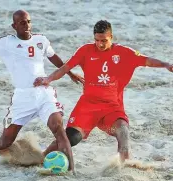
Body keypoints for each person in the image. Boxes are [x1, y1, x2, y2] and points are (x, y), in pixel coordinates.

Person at [0, 10, 84, 172]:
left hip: (44, 93)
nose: (27, 25)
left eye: (28, 21)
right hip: (23, 97)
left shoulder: (41, 40)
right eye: (22, 22)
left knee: (59, 131)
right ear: (14, 25)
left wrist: (70, 73)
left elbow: (53, 57)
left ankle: (71, 172)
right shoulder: (7, 42)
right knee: (5, 142)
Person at [34, 20, 173, 162]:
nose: (100, 44)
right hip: (87, 106)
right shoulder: (85, 50)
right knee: (71, 138)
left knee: (123, 129)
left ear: (111, 37)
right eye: (97, 40)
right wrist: (48, 79)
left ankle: (124, 163)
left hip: (112, 107)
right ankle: (41, 157)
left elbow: (147, 61)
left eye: (104, 41)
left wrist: (166, 65)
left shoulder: (124, 52)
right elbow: (64, 68)